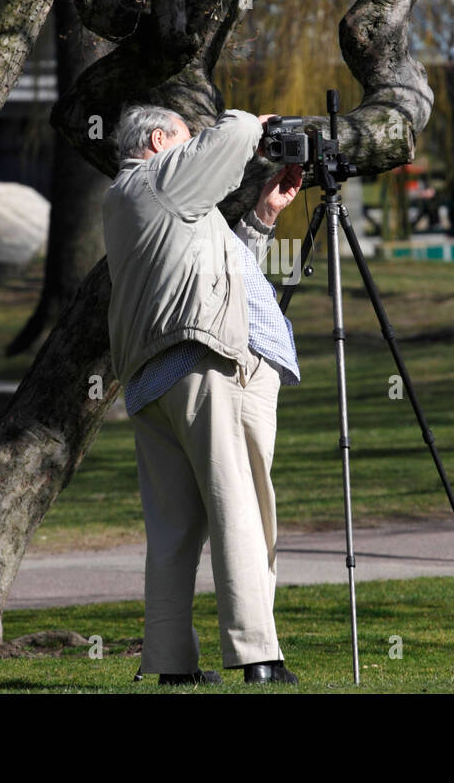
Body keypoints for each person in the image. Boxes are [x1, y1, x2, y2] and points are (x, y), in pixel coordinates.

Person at [103, 104, 304, 686]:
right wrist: (254, 124)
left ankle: (171, 666)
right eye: (187, 140)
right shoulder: (158, 179)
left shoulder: (137, 200)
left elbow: (219, 269)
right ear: (160, 140)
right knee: (241, 507)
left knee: (173, 531)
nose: (194, 151)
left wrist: (263, 217)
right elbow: (238, 132)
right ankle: (257, 655)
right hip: (203, 367)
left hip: (153, 379)